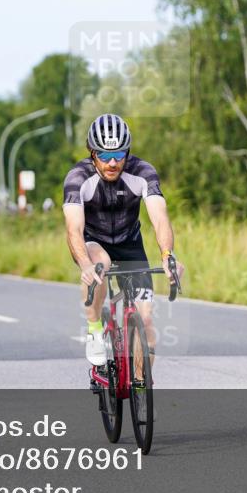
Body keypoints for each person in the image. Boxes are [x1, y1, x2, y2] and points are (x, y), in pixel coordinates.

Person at [62, 113, 185, 369]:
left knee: (147, 320)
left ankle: (140, 388)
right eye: (105, 156)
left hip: (130, 243)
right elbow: (73, 228)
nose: (113, 162)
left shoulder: (142, 172)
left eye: (119, 154)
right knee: (99, 265)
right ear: (92, 153)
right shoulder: (78, 177)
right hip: (93, 243)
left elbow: (160, 217)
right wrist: (84, 264)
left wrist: (167, 255)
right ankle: (95, 328)